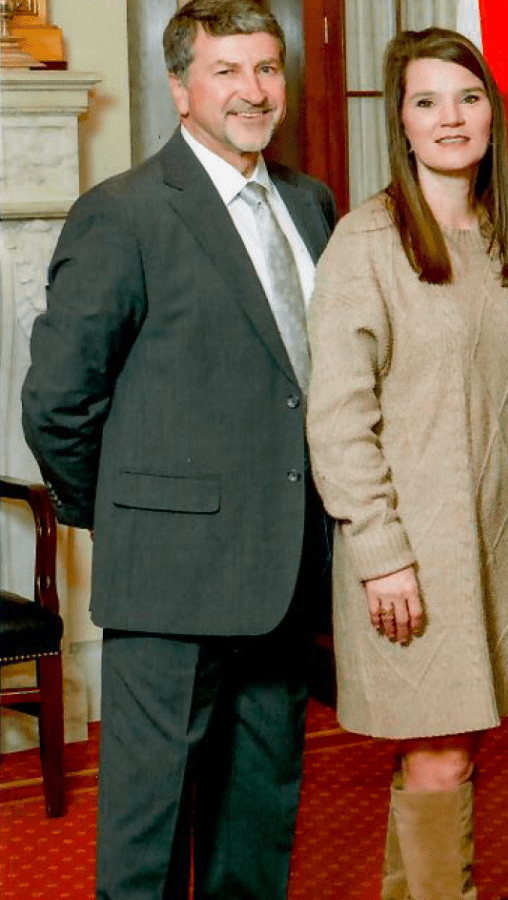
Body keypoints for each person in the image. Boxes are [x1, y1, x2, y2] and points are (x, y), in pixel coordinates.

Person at [18, 1, 337, 897]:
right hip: (168, 579)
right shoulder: (122, 213)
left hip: (282, 569)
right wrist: (124, 511)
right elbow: (55, 402)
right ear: (180, 87)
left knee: (256, 830)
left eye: (267, 68)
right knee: (146, 841)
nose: (252, 90)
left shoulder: (310, 205)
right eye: (227, 70)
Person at [305, 28, 508, 899]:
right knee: (439, 760)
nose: (451, 118)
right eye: (426, 101)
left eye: (469, 98)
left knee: (451, 757)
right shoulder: (367, 241)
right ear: (400, 122)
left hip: (499, 540)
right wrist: (381, 552)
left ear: (494, 115)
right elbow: (337, 418)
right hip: (411, 552)